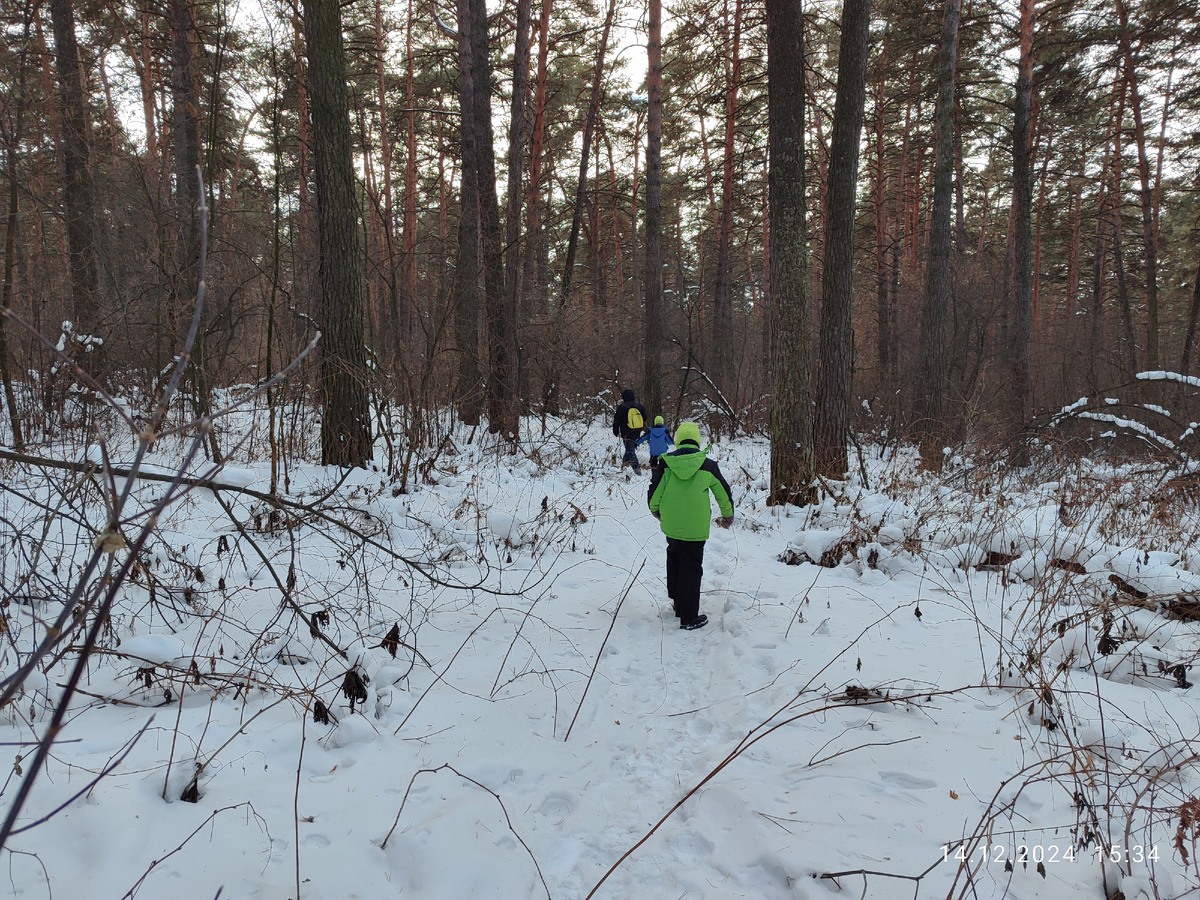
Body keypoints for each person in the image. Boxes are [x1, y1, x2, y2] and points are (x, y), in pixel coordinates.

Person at [647, 421, 734, 631]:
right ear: (697, 440)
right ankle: (688, 617)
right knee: (691, 567)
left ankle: (678, 601)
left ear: (677, 441)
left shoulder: (666, 464)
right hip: (696, 528)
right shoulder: (708, 465)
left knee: (674, 558)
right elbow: (723, 492)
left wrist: (657, 511)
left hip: (672, 524)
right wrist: (727, 516)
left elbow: (654, 495)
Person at [612, 388, 648, 475]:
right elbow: (645, 417)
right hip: (637, 431)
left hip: (626, 432)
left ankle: (637, 469)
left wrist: (616, 432)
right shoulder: (639, 406)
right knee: (630, 448)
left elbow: (617, 420)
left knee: (629, 450)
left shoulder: (622, 407)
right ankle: (625, 464)